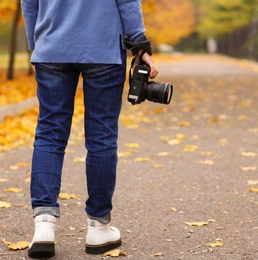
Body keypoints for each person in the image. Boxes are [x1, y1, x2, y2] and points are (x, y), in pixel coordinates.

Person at [21, 0, 158, 257]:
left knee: (49, 134)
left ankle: (44, 227)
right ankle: (98, 226)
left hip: (51, 46)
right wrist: (139, 43)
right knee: (102, 137)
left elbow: (29, 2)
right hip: (103, 47)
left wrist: (35, 43)